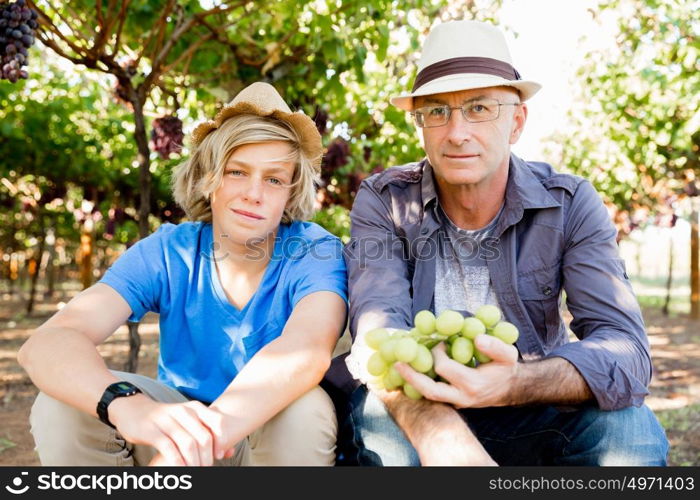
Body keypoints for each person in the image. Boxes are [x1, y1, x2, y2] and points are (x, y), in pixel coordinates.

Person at [332, 20, 669, 466]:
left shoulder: (567, 204)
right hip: (423, 403)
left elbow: (625, 350)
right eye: (436, 111)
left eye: (479, 108)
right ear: (420, 125)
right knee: (380, 420)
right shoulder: (386, 201)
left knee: (631, 432)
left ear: (517, 122)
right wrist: (443, 436)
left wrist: (513, 384)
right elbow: (380, 333)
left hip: (535, 408)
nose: (456, 133)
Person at [18, 82, 348, 466]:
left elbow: (306, 350)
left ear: (290, 193)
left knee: (305, 408)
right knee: (62, 404)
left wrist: (197, 445)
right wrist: (124, 404)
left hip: (264, 440)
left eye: (274, 179)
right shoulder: (169, 251)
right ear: (209, 179)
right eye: (237, 172)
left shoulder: (315, 250)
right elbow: (46, 344)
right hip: (175, 428)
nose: (254, 193)